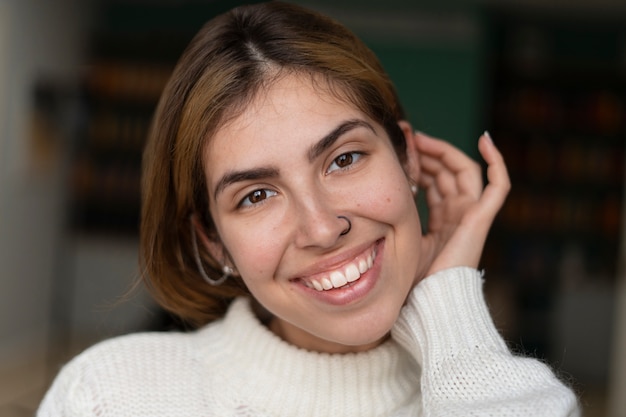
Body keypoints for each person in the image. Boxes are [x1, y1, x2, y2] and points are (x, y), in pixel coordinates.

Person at [38, 2, 580, 416]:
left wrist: (449, 306)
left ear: (407, 157)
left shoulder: (502, 394)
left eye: (344, 159)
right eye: (256, 195)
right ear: (212, 239)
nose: (322, 227)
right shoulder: (111, 397)